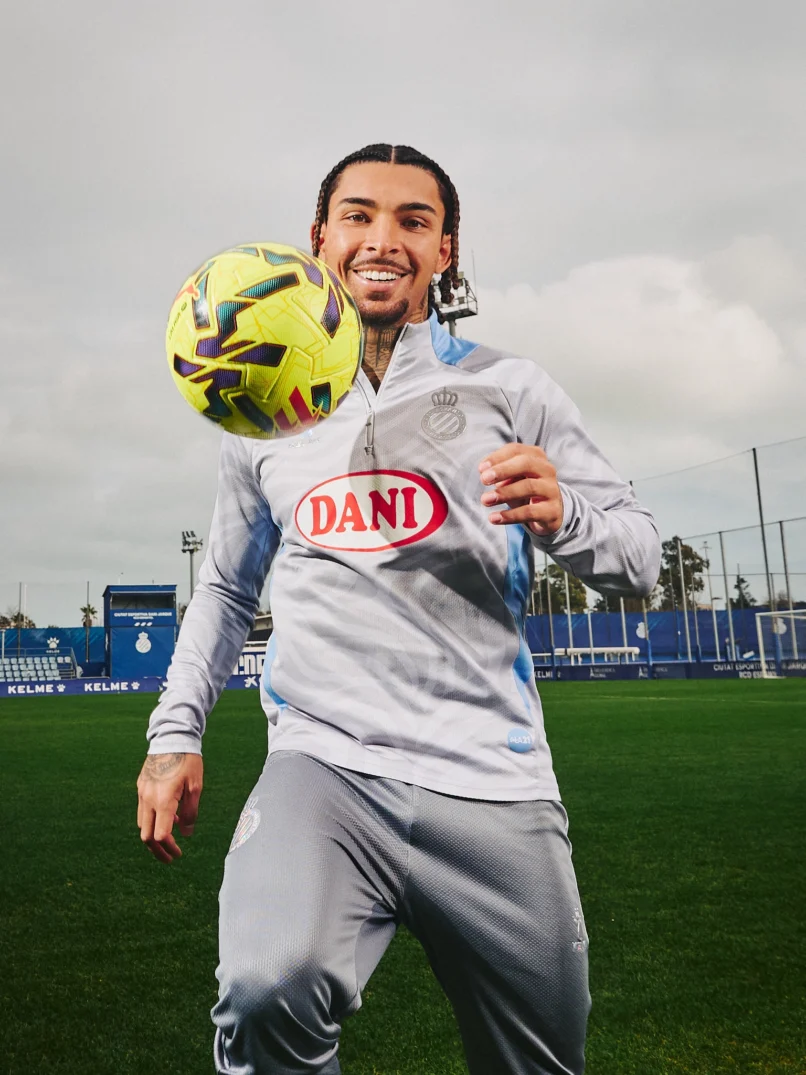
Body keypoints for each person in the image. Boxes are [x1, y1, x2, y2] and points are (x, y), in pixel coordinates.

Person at [137, 143, 660, 1075]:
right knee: (265, 990)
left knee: (541, 1059)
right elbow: (224, 586)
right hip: (324, 765)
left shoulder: (514, 389)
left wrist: (565, 516)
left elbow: (642, 562)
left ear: (444, 250)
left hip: (491, 776)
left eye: (413, 221)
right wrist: (175, 733)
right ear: (319, 239)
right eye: (359, 215)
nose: (383, 239)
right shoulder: (263, 410)